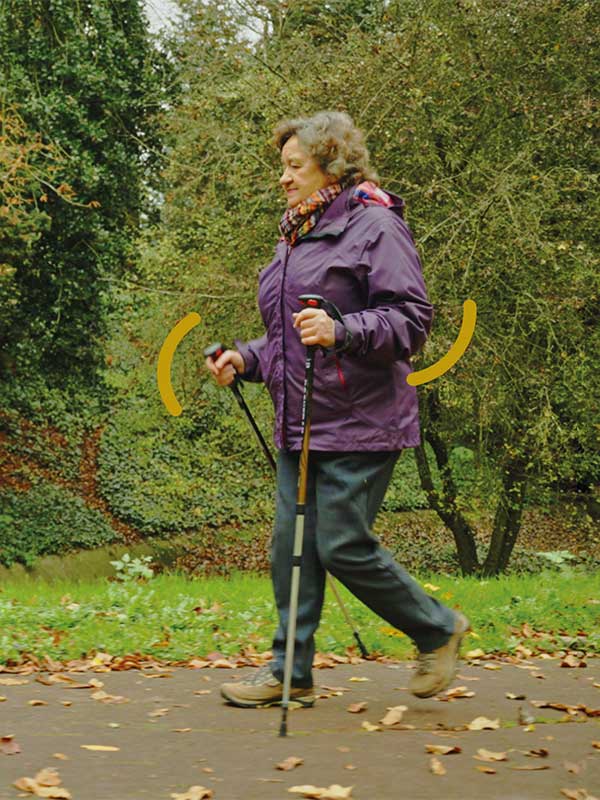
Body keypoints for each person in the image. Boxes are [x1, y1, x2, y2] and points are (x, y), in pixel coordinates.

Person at [205, 111, 469, 709]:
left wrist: (343, 329)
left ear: (330, 162)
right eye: (282, 167)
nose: (283, 178)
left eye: (293, 166)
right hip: (300, 421)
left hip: (362, 420)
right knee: (291, 547)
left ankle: (437, 628)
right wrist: (243, 359)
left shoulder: (374, 226)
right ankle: (288, 672)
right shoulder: (296, 234)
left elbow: (410, 320)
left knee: (342, 543)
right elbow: (290, 338)